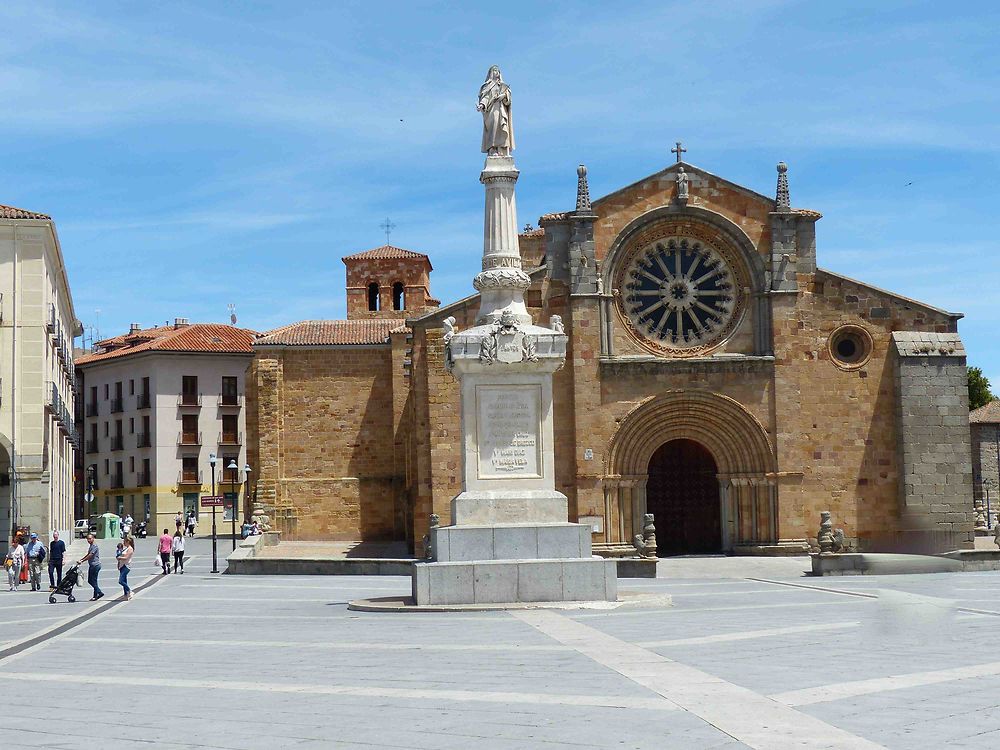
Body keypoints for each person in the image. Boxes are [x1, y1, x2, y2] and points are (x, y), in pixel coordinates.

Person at [77, 533, 103, 601]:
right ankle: (95, 596)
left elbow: (90, 555)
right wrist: (81, 559)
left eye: (90, 538)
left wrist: (82, 561)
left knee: (90, 581)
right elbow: (88, 554)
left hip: (95, 565)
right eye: (87, 539)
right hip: (93, 565)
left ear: (93, 538)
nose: (88, 540)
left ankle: (99, 592)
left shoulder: (94, 546)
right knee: (94, 581)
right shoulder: (91, 546)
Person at [117, 536, 134, 600]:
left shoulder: (130, 549)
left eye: (124, 542)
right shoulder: (126, 548)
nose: (123, 543)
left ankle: (130, 591)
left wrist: (119, 558)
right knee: (124, 580)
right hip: (122, 565)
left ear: (128, 542)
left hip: (126, 566)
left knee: (121, 581)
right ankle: (126, 595)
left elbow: (126, 557)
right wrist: (118, 563)